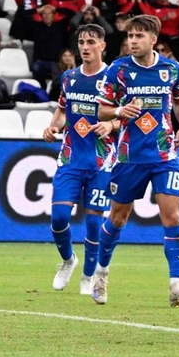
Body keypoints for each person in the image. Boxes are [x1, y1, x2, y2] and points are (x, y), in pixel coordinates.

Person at [92, 14, 179, 307]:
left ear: (153, 40)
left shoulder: (171, 69)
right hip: (129, 156)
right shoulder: (118, 70)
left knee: (172, 216)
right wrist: (119, 112)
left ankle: (176, 284)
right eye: (130, 36)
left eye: (138, 36)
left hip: (165, 155)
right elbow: (100, 111)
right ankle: (102, 271)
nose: (132, 41)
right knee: (118, 217)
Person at [42, 24, 117, 295]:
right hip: (71, 158)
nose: (85, 47)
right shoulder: (69, 77)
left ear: (102, 46)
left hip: (103, 161)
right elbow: (62, 110)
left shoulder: (114, 77)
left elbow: (126, 114)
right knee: (59, 217)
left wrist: (112, 125)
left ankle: (88, 275)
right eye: (81, 42)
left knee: (95, 222)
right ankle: (68, 260)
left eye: (91, 42)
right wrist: (53, 126)